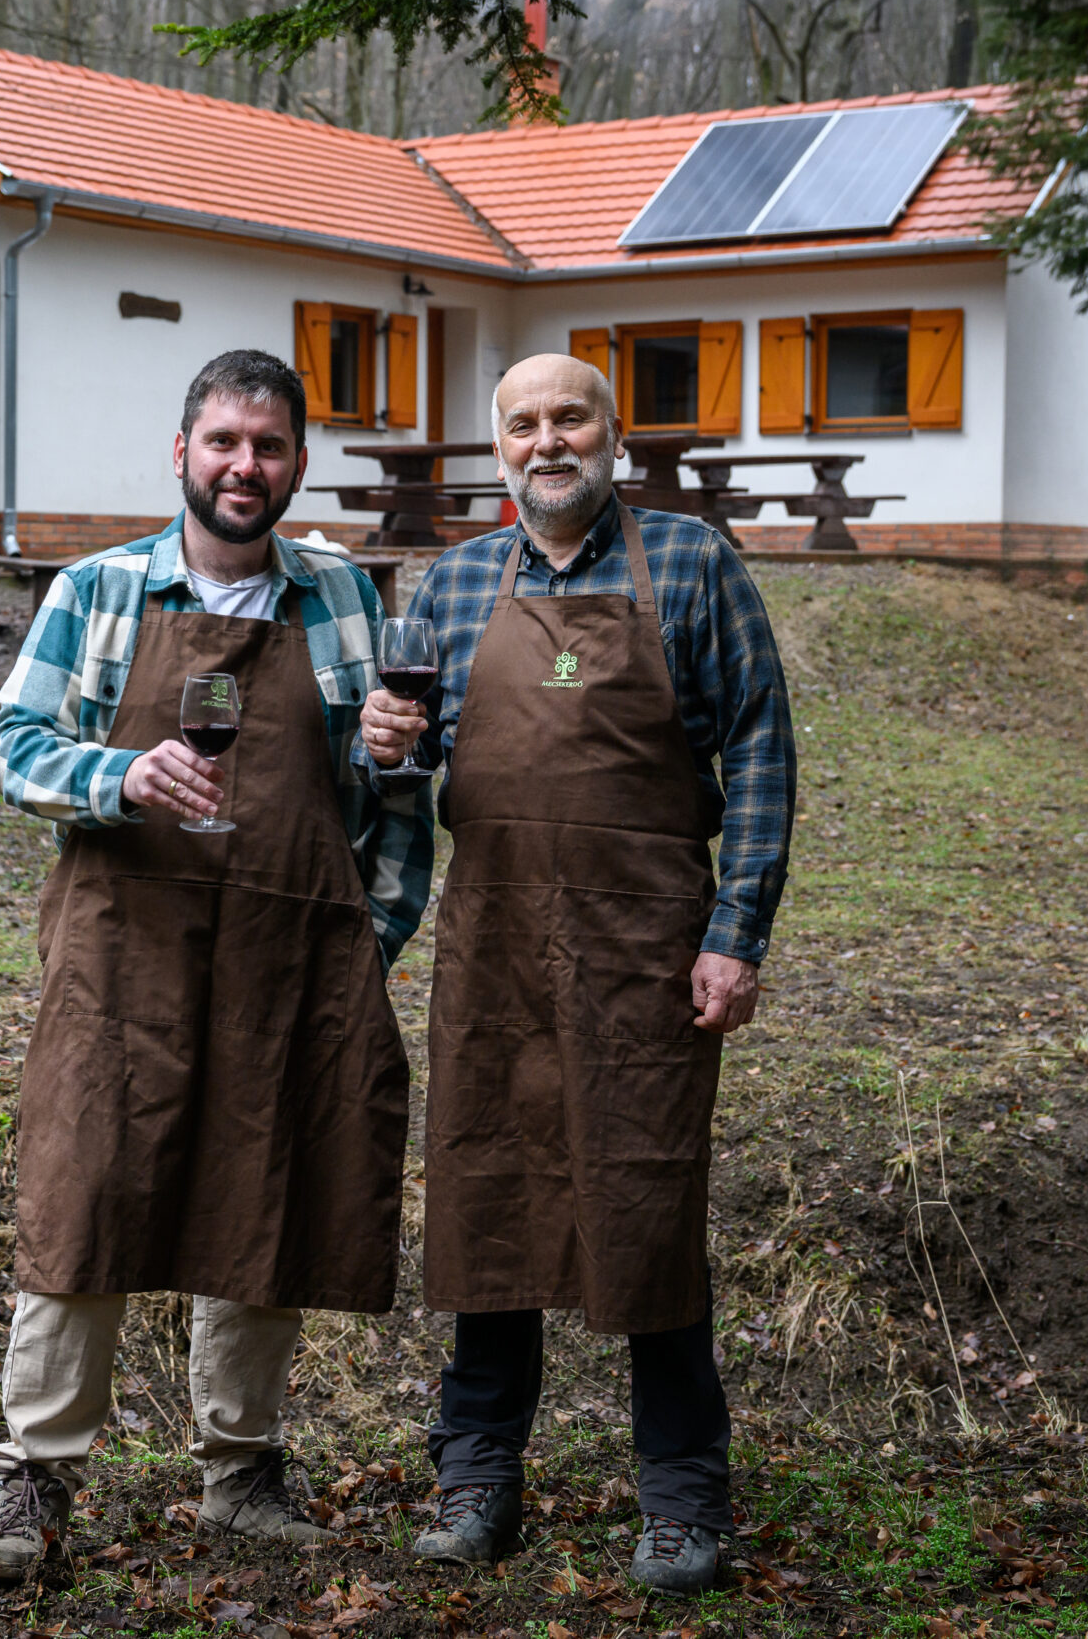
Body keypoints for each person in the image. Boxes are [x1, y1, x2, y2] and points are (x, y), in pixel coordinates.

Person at [0, 349, 429, 1582]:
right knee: (83, 1186)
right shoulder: (96, 590)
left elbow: (390, 786)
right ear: (182, 453)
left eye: (268, 447)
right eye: (223, 441)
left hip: (288, 954)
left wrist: (367, 936)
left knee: (264, 1186)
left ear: (298, 464)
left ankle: (240, 1472)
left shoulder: (342, 598)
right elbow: (12, 750)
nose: (243, 466)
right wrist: (120, 774)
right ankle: (35, 1479)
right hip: (126, 955)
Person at [360, 352, 794, 1595]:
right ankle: (476, 1479)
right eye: (522, 424)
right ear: (498, 446)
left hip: (644, 949)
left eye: (569, 419)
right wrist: (385, 745)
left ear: (613, 434)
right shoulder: (452, 583)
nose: (546, 442)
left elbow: (761, 747)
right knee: (487, 1192)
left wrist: (735, 933)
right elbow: (417, 769)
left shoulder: (692, 564)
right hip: (493, 944)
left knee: (645, 1203)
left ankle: (683, 1499)